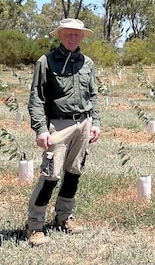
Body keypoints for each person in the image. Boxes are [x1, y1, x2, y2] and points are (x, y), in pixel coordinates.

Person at [25, 18, 102, 246]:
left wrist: (95, 122)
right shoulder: (46, 62)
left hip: (84, 123)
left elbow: (93, 95)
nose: (73, 37)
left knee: (74, 172)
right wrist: (40, 129)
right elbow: (36, 98)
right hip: (57, 126)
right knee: (51, 175)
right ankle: (35, 225)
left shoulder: (87, 63)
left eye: (77, 35)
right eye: (68, 34)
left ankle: (64, 217)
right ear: (60, 35)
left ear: (82, 37)